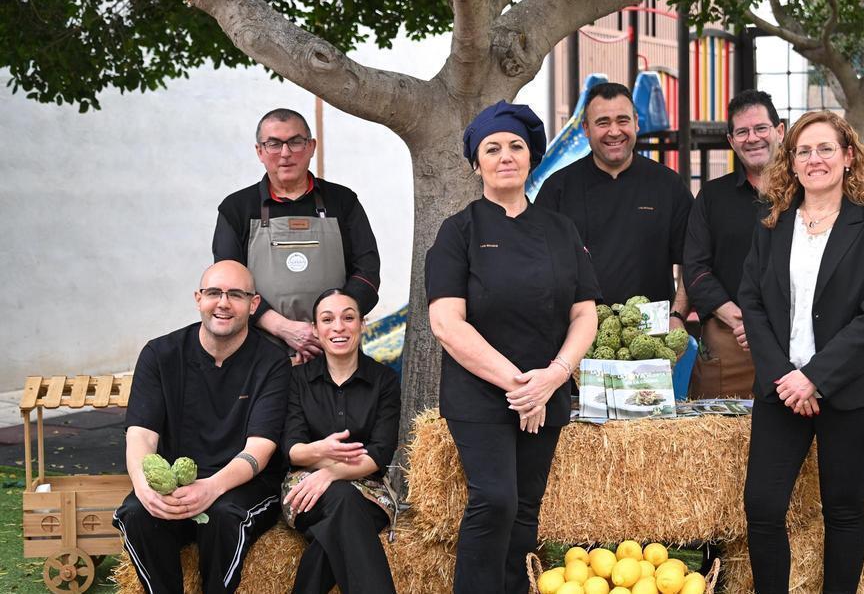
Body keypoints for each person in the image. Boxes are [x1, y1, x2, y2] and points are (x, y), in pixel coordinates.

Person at [425, 100, 601, 593]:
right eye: (493, 148)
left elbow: (585, 312)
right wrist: (519, 384)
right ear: (476, 162)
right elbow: (445, 322)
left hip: (546, 389)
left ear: (531, 158)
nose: (506, 156)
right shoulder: (459, 231)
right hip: (481, 393)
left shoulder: (560, 229)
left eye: (516, 147)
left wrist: (554, 377)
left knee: (526, 508)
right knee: (495, 500)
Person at [739, 111, 864, 594]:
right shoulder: (772, 224)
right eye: (803, 151)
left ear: (849, 156)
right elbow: (752, 301)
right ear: (791, 161)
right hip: (781, 389)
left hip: (853, 392)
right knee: (763, 506)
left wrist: (815, 377)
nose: (815, 159)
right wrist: (784, 377)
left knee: (843, 507)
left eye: (826, 148)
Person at [114, 261, 290, 594]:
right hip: (176, 483)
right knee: (136, 513)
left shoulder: (272, 362)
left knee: (225, 516)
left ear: (253, 305)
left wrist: (210, 488)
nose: (223, 303)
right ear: (198, 298)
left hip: (242, 483)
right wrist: (143, 486)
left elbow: (260, 448)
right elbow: (140, 434)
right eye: (214, 293)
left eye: (236, 295)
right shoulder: (160, 354)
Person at [214, 108, 382, 362]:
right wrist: (283, 328)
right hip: (259, 352)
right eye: (273, 144)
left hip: (334, 348)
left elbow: (367, 271)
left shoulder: (343, 201)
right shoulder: (237, 208)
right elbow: (228, 285)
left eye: (295, 142)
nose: (285, 153)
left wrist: (329, 326)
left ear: (311, 146)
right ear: (259, 151)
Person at [535, 82, 692, 326]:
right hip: (575, 334)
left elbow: (694, 258)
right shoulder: (558, 189)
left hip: (650, 333)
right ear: (586, 129)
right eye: (603, 122)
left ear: (636, 123)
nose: (614, 131)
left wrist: (677, 314)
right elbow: (537, 267)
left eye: (622, 120)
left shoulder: (668, 185)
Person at [282, 288, 401, 594]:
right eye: (327, 319)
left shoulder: (384, 380)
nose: (338, 327)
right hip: (305, 491)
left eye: (348, 318)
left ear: (362, 323)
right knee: (344, 503)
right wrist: (319, 451)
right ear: (315, 329)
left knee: (341, 515)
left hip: (370, 492)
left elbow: (379, 453)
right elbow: (292, 449)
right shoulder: (296, 379)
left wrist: (330, 471)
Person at [683, 89, 784, 398]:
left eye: (760, 128)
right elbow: (695, 268)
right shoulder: (712, 197)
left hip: (793, 341)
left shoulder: (806, 193)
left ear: (780, 131)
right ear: (731, 140)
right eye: (742, 131)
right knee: (716, 437)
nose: (752, 138)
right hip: (729, 337)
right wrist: (739, 319)